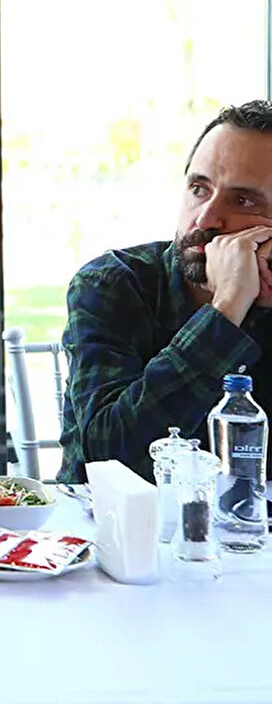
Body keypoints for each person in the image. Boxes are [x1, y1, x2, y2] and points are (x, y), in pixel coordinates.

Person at [59, 100, 272, 483]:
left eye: (243, 201)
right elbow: (108, 461)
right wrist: (226, 312)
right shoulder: (113, 284)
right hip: (119, 538)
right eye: (198, 188)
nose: (205, 218)